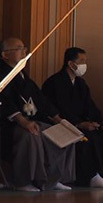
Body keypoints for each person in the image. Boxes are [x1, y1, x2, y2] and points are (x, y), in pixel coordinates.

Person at [42, 47, 103, 188]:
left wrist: (102, 122)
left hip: (82, 123)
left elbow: (90, 106)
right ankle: (91, 176)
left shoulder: (81, 84)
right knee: (89, 137)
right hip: (64, 124)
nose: (84, 64)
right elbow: (59, 110)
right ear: (71, 64)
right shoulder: (54, 82)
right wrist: (79, 124)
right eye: (81, 61)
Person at [0, 38, 75, 192]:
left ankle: (54, 178)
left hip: (29, 120)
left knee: (64, 134)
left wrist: (60, 121)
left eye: (24, 48)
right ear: (5, 55)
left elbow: (41, 99)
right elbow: (4, 101)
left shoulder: (22, 74)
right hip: (9, 124)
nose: (24, 52)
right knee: (30, 136)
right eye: (19, 48)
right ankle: (23, 181)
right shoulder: (2, 73)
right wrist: (23, 121)